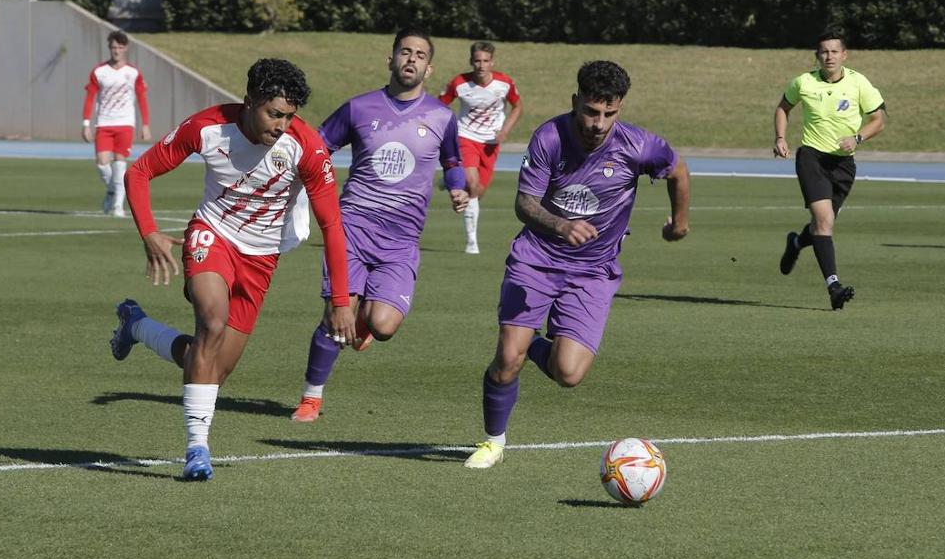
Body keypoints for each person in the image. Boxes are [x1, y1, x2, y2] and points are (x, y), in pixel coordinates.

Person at [108, 58, 353, 481]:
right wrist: (149, 232)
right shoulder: (206, 127)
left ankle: (139, 327)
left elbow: (332, 225)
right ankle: (196, 449)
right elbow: (140, 171)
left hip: (261, 259)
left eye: (289, 117)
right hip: (212, 236)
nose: (281, 126)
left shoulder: (307, 147)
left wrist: (341, 300)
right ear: (250, 101)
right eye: (274, 113)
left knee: (212, 368)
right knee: (213, 322)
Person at [462, 60, 690, 469]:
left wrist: (680, 222)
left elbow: (677, 170)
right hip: (536, 259)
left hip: (593, 271)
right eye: (590, 111)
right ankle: (493, 442)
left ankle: (527, 342)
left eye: (609, 114)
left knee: (568, 373)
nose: (598, 123)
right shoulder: (549, 137)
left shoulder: (637, 145)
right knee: (506, 362)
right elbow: (524, 203)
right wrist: (559, 225)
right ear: (575, 101)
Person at [290, 27, 470, 423]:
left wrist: (458, 189)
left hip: (402, 240)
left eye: (420, 55)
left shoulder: (442, 117)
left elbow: (453, 163)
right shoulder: (359, 108)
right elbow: (319, 146)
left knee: (383, 324)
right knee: (336, 317)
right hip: (351, 229)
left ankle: (365, 324)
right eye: (405, 51)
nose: (411, 59)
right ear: (390, 59)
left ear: (429, 67)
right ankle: (311, 398)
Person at [773, 29, 886, 310]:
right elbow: (782, 108)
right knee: (824, 221)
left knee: (824, 225)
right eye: (824, 51)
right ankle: (833, 287)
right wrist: (780, 137)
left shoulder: (859, 83)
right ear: (817, 56)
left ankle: (797, 243)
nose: (829, 56)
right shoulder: (804, 82)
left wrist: (857, 138)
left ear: (844, 55)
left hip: (844, 164)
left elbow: (878, 120)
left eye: (835, 51)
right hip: (812, 158)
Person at [439, 41, 524, 254]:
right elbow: (440, 105)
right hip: (465, 137)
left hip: (491, 144)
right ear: (471, 61)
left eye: (485, 61)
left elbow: (518, 106)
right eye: (477, 61)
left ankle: (450, 179)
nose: (481, 65)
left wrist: (504, 131)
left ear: (492, 62)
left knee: (477, 192)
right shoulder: (459, 83)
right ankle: (471, 243)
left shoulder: (504, 83)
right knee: (472, 184)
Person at [82, 30, 151, 217]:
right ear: (109, 48)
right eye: (113, 47)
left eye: (120, 47)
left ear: (126, 48)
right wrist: (86, 123)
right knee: (102, 164)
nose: (116, 51)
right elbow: (90, 97)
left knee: (120, 164)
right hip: (104, 123)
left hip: (125, 123)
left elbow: (142, 98)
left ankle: (118, 206)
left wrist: (145, 124)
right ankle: (112, 190)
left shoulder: (133, 72)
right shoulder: (99, 71)